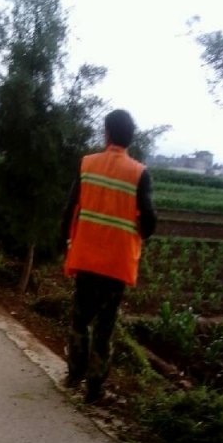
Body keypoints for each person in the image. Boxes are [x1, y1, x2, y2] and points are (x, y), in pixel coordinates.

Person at [61, 109, 157, 403]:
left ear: (107, 134)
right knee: (105, 328)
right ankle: (94, 389)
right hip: (117, 266)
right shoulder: (139, 173)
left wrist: (65, 239)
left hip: (87, 259)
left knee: (80, 320)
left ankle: (74, 374)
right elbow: (150, 221)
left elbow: (69, 209)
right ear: (129, 138)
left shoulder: (87, 165)